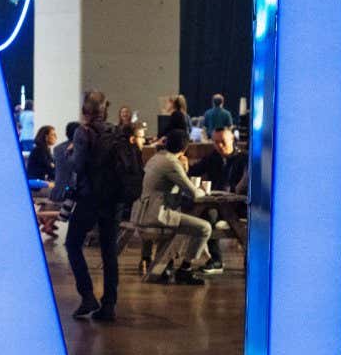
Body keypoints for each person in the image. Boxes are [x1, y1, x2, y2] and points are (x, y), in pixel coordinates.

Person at [64, 91, 121, 321]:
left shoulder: (82, 132)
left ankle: (87, 295)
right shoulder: (116, 131)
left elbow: (77, 166)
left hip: (90, 197)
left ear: (85, 111)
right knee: (109, 252)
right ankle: (109, 305)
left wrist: (69, 155)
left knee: (72, 244)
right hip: (114, 198)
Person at [133, 129, 212, 285]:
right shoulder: (171, 163)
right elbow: (193, 193)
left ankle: (167, 266)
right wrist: (203, 191)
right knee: (204, 228)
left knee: (184, 224)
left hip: (143, 212)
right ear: (185, 148)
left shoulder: (156, 158)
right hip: (156, 216)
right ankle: (185, 270)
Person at [188, 127, 247, 274]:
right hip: (216, 203)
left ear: (232, 140)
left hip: (238, 205)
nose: (219, 145)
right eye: (216, 142)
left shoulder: (243, 159)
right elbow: (192, 171)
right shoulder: (213, 157)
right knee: (206, 216)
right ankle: (216, 259)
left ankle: (250, 259)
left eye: (223, 142)